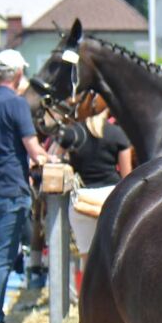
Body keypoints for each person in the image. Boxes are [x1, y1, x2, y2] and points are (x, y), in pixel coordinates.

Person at [0, 49, 51, 323]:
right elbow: (33, 149)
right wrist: (49, 158)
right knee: (2, 257)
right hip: (12, 187)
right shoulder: (17, 104)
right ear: (18, 74)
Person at [56, 108, 132, 268]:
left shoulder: (72, 133)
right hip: (110, 198)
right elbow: (127, 176)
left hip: (81, 199)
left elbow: (55, 161)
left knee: (87, 261)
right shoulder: (118, 133)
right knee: (114, 258)